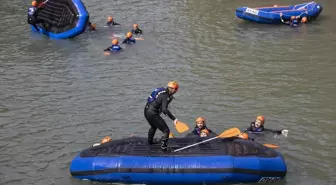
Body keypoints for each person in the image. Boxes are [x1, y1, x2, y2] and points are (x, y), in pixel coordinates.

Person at [144, 81, 179, 151]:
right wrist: (174, 119)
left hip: (146, 111)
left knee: (153, 127)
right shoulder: (165, 96)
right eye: (176, 90)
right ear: (174, 89)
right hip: (153, 113)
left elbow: (156, 102)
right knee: (166, 130)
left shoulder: (161, 90)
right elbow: (164, 110)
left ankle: (150, 142)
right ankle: (164, 149)